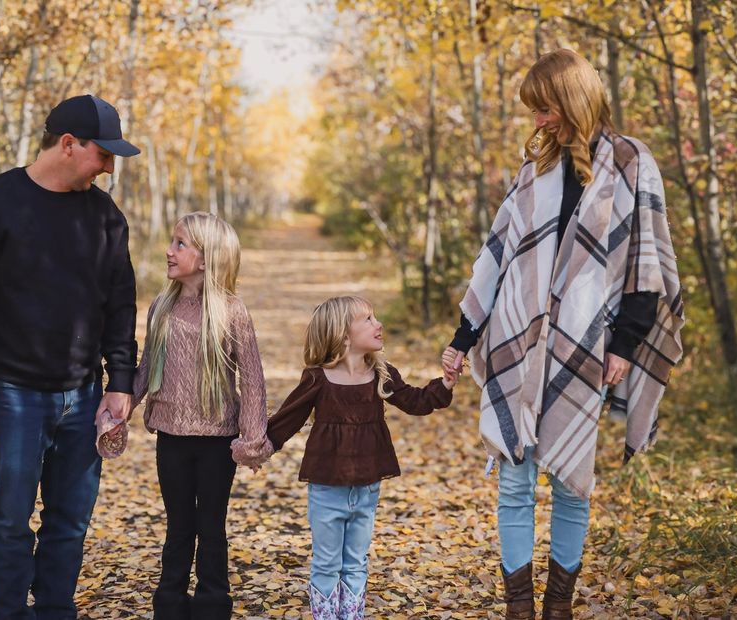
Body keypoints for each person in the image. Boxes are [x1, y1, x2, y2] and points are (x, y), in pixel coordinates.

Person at [441, 49, 685, 620]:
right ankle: (519, 610)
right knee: (515, 480)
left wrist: (625, 344)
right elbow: (497, 255)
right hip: (521, 341)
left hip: (589, 344)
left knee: (573, 484)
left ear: (572, 99)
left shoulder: (631, 162)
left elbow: (644, 262)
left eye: (545, 108)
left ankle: (559, 609)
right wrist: (462, 335)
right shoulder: (537, 169)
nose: (538, 121)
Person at [0, 94, 141, 619]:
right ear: (69, 145)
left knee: (71, 518)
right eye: (104, 154)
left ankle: (55, 610)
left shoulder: (104, 216)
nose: (109, 167)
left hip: (84, 392)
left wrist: (120, 379)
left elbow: (121, 301)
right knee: (10, 517)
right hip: (12, 391)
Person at [266, 296, 456, 620]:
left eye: (375, 317)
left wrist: (445, 383)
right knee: (327, 562)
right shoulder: (318, 378)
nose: (377, 324)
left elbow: (415, 400)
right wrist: (260, 447)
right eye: (367, 319)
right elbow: (288, 418)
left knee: (356, 562)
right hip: (327, 489)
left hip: (367, 487)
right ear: (342, 334)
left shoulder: (381, 373)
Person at [132, 212, 273, 620]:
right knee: (179, 527)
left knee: (211, 526)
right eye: (172, 242)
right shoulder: (161, 307)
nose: (168, 251)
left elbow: (253, 379)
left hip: (217, 442)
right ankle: (170, 604)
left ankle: (213, 604)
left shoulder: (232, 311)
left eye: (180, 244)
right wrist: (120, 409)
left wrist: (251, 439)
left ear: (208, 258)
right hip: (170, 438)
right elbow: (145, 369)